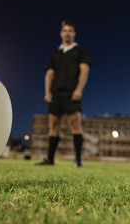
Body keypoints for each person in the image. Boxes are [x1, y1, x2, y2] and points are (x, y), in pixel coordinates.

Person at [36, 20, 90, 167]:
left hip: (72, 93)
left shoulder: (80, 51)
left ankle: (78, 160)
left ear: (74, 33)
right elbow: (49, 74)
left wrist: (79, 89)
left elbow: (84, 70)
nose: (67, 33)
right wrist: (47, 92)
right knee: (53, 126)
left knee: (75, 124)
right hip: (55, 94)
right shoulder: (56, 53)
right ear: (61, 33)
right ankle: (50, 159)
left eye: (70, 30)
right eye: (65, 30)